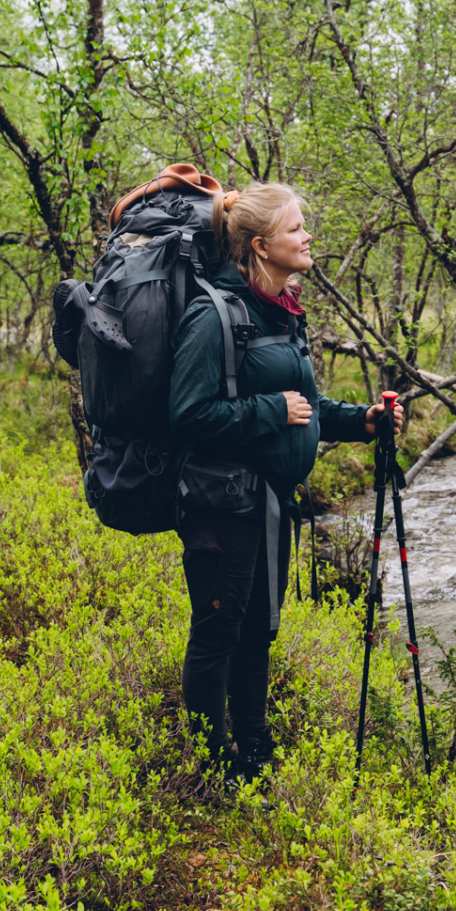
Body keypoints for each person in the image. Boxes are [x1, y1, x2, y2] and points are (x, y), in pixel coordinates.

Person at [169, 181, 403, 788]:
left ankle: (254, 757)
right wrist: (271, 412)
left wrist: (365, 421)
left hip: (270, 502)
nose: (308, 237)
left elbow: (310, 404)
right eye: (297, 228)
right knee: (220, 632)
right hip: (222, 503)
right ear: (258, 244)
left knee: (258, 634)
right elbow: (188, 415)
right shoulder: (212, 315)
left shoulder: (283, 311)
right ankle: (212, 772)